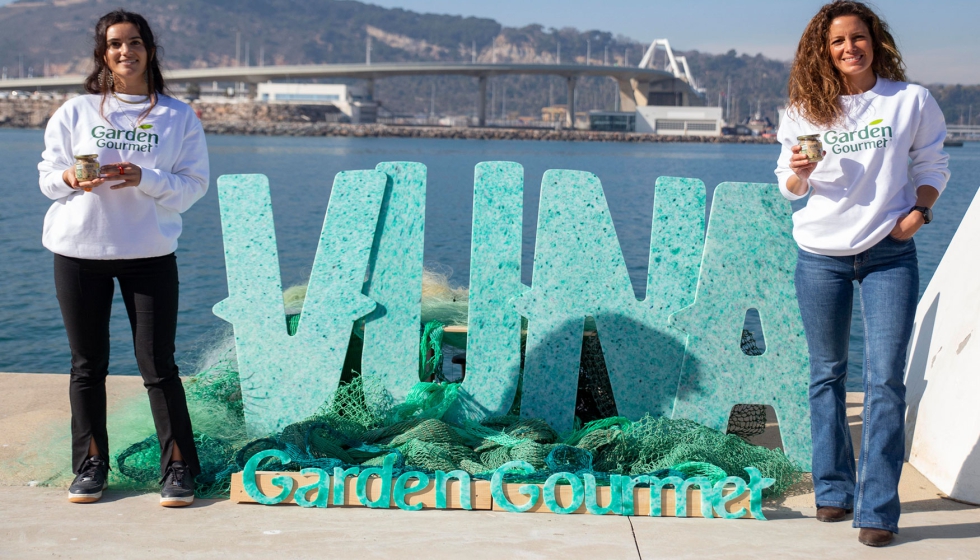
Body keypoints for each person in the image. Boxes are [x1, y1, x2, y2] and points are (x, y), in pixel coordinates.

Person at [775, 0, 949, 547]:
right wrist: (799, 174)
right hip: (820, 252)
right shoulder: (804, 110)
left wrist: (920, 212)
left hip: (888, 253)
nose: (849, 48)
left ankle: (876, 508)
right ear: (822, 51)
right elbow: (789, 186)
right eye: (837, 42)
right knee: (826, 374)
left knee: (884, 380)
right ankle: (832, 491)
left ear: (875, 40)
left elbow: (933, 164)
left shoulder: (909, 101)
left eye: (858, 37)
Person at [37, 10, 209, 507]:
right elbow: (48, 179)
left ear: (149, 50)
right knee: (87, 366)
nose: (124, 51)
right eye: (114, 44)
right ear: (103, 54)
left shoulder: (179, 116)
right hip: (78, 250)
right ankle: (91, 465)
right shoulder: (76, 110)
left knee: (158, 365)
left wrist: (145, 178)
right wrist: (73, 178)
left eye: (133, 42)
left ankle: (178, 468)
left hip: (149, 254)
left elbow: (193, 187)